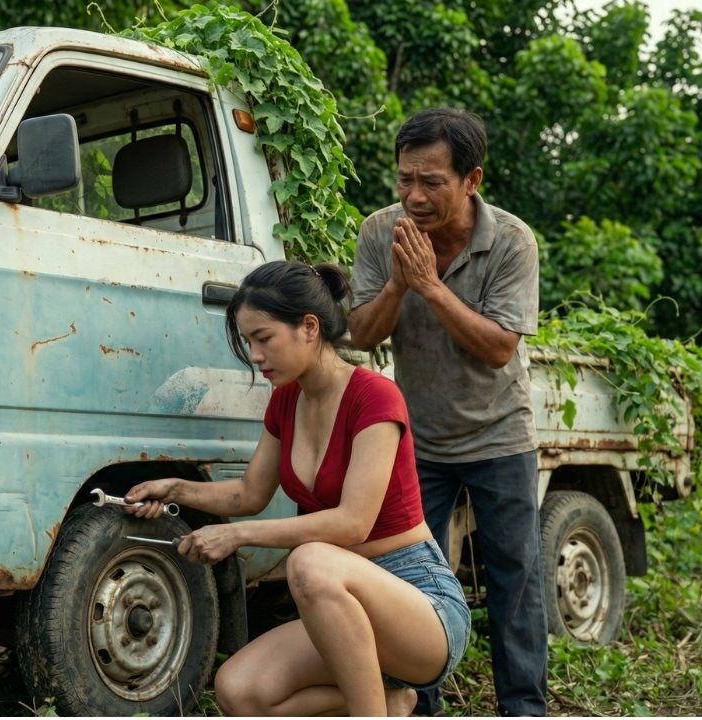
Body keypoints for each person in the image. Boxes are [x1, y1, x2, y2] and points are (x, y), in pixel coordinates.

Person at [124, 260, 470, 716]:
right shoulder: (286, 400)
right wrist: (173, 490)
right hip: (338, 604)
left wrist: (237, 535)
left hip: (419, 601)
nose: (255, 355)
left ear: (309, 327)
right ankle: (390, 701)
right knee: (238, 691)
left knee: (310, 559)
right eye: (249, 342)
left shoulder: (375, 398)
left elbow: (352, 523)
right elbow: (249, 494)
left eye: (263, 338)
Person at [347, 107, 547, 716]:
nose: (414, 196)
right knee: (410, 581)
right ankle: (417, 701)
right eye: (405, 179)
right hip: (419, 441)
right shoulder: (382, 232)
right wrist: (399, 284)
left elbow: (498, 349)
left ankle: (523, 708)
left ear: (472, 180)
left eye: (431, 182)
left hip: (500, 435)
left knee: (514, 580)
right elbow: (358, 335)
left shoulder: (511, 241)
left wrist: (431, 286)